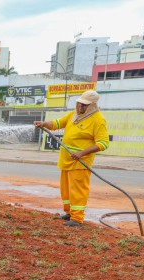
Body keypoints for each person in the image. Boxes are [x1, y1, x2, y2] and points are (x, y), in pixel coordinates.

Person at [34, 90, 109, 227]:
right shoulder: (73, 115)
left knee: (78, 191)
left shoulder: (98, 120)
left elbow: (103, 143)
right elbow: (57, 123)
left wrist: (82, 153)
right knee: (66, 190)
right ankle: (69, 213)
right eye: (79, 103)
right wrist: (45, 124)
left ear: (92, 106)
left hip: (80, 162)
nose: (80, 107)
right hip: (66, 159)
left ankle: (77, 218)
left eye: (84, 105)